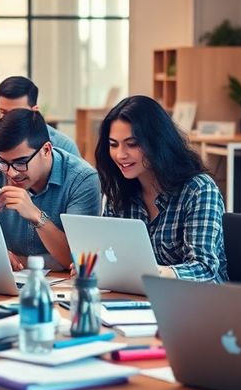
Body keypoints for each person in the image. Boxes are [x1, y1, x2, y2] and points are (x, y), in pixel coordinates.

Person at [96, 96, 228, 283]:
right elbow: (110, 253)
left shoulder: (199, 190)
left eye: (132, 144)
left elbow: (205, 269)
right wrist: (95, 266)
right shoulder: (118, 191)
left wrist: (156, 274)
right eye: (113, 144)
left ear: (157, 141)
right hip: (137, 298)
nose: (120, 155)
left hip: (198, 303)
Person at [0, 109, 100, 271]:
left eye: (21, 162)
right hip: (12, 279)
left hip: (63, 285)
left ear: (46, 150)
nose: (12, 172)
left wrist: (37, 217)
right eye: (3, 162)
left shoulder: (81, 179)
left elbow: (78, 261)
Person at [0, 76, 81, 214]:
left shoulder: (65, 147)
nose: (9, 120)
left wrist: (37, 217)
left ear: (34, 111)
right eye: (3, 113)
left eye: (17, 113)